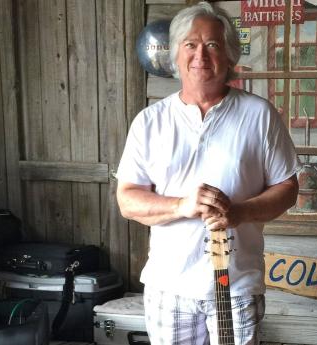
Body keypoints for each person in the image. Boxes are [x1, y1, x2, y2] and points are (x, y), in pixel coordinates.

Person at [116, 2, 299, 344]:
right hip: (169, 285)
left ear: (229, 55)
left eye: (212, 44)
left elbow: (287, 188)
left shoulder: (258, 114)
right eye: (190, 44)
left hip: (237, 284)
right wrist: (181, 206)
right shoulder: (150, 122)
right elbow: (128, 200)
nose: (200, 54)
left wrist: (239, 212)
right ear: (175, 54)